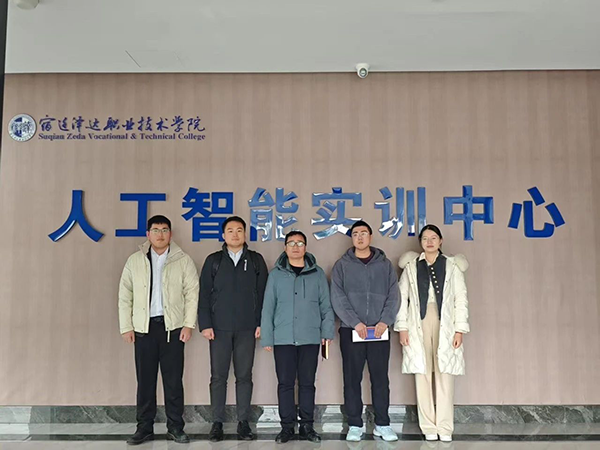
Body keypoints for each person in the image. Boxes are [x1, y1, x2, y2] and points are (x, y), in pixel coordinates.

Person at [118, 215, 199, 445]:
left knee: (173, 382)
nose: (160, 234)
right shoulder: (135, 260)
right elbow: (125, 295)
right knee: (145, 382)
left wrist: (188, 324)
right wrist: (126, 327)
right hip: (144, 329)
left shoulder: (183, 260)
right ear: (148, 234)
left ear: (170, 234)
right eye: (155, 230)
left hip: (173, 329)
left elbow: (192, 293)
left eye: (164, 230)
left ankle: (175, 427)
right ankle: (144, 428)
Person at [394, 224, 470, 443]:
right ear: (420, 242)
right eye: (425, 238)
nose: (429, 242)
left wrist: (459, 329)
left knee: (445, 373)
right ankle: (428, 425)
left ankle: (445, 427)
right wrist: (402, 328)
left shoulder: (452, 266)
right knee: (423, 373)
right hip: (417, 322)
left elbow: (461, 298)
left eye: (433, 237)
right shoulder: (411, 266)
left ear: (440, 241)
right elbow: (402, 298)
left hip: (445, 321)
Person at [198, 216, 268, 442]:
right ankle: (216, 423)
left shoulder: (255, 260)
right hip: (219, 329)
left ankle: (243, 422)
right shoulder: (214, 260)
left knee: (244, 376)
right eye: (230, 230)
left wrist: (262, 323)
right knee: (218, 377)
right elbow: (204, 294)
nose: (235, 234)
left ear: (245, 234)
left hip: (247, 329)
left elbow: (264, 294)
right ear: (223, 235)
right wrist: (205, 324)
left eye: (239, 230)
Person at [261, 231, 335, 443]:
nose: (295, 247)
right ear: (285, 247)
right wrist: (267, 337)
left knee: (307, 383)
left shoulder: (317, 274)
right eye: (291, 243)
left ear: (306, 247)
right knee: (285, 383)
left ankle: (307, 426)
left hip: (310, 337)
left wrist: (327, 332)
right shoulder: (276, 275)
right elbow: (268, 307)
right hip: (283, 338)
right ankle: (286, 427)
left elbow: (326, 305)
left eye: (300, 243)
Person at [330, 220, 400, 442]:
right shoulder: (342, 265)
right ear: (352, 238)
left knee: (380, 379)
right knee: (352, 379)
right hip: (352, 331)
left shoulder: (385, 265)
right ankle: (354, 424)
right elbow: (337, 297)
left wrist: (384, 321)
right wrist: (355, 323)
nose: (359, 237)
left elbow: (394, 295)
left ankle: (383, 424)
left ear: (370, 236)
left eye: (363, 233)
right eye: (355, 234)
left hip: (379, 331)